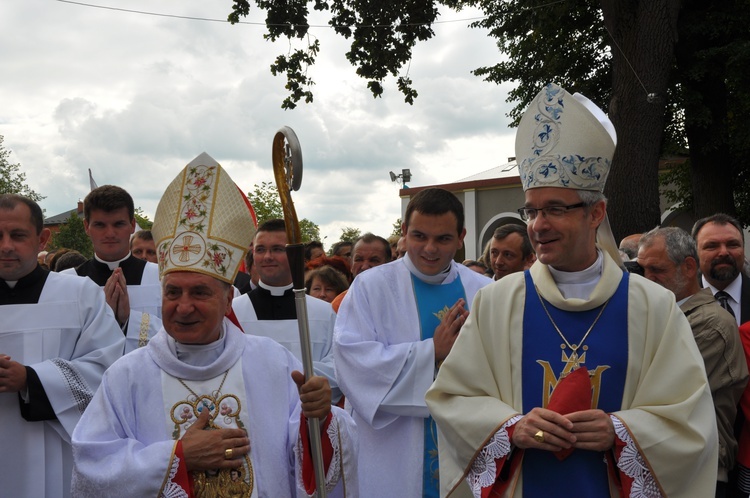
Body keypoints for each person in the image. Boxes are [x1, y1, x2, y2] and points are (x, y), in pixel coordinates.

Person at [425, 83, 718, 497]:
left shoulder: (653, 307)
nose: (537, 225)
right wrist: (512, 426)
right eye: (532, 210)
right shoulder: (497, 302)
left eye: (555, 209)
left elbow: (690, 420)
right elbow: (452, 400)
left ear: (596, 212)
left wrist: (620, 430)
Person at [71, 152, 356, 497]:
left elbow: (311, 453)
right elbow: (92, 466)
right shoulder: (127, 375)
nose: (184, 306)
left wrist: (321, 416)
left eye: (200, 292)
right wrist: (177, 458)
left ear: (227, 300)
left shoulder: (271, 361)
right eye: (172, 291)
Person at [334, 187, 492, 497]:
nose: (430, 249)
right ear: (404, 232)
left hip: (464, 445)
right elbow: (353, 363)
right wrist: (432, 351)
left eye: (443, 239)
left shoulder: (484, 291)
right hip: (393, 451)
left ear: (461, 236)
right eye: (419, 236)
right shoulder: (371, 287)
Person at [0, 194, 124, 497]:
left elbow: (110, 369)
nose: (6, 246)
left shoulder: (80, 294)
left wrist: (31, 380)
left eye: (17, 235)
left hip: (59, 452)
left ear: (42, 239)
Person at [638, 226, 747, 496]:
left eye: (656, 270)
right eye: (642, 271)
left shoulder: (709, 324)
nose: (646, 279)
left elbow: (655, 392)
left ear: (688, 267)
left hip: (700, 468)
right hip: (670, 461)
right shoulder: (666, 314)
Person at [232, 219, 341, 402]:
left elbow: (338, 366)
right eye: (260, 250)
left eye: (277, 249)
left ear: (294, 255)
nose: (267, 256)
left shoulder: (324, 313)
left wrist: (289, 377)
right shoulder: (234, 310)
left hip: (307, 415)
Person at [62, 185, 162, 353]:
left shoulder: (159, 277)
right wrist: (103, 317)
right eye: (100, 225)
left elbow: (176, 339)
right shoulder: (68, 282)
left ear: (132, 225)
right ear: (87, 226)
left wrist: (129, 319)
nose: (110, 233)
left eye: (118, 224)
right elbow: (61, 346)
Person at [692, 213, 750, 326]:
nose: (724, 252)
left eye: (732, 244)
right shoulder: (678, 305)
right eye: (712, 246)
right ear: (695, 253)